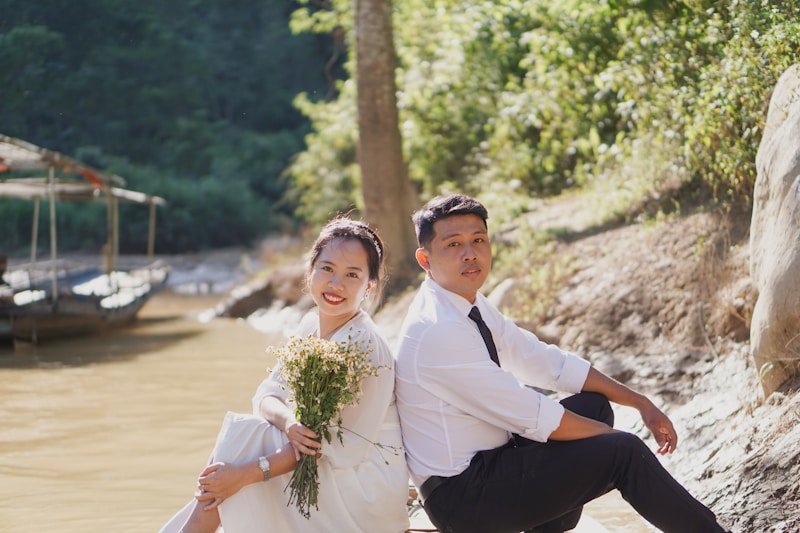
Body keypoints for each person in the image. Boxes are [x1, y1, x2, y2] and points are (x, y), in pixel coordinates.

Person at [394, 193, 730, 533]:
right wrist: (616, 442)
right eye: (453, 244)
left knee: (594, 406)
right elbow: (531, 413)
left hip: (493, 463)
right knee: (624, 451)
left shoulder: (465, 301)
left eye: (478, 240)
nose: (470, 253)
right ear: (425, 259)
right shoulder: (437, 329)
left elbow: (543, 361)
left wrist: (638, 401)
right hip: (463, 497)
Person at [160, 218, 410, 533]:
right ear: (311, 271)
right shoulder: (309, 327)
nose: (336, 284)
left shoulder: (358, 344)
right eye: (327, 269)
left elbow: (317, 446)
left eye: (352, 275)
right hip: (324, 468)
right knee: (254, 438)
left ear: (368, 287)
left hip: (364, 486)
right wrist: (289, 423)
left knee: (248, 442)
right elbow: (266, 395)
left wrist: (241, 474)